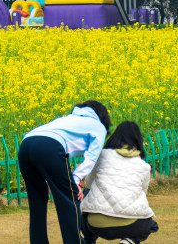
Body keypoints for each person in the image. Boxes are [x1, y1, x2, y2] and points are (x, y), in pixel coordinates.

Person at [18, 101, 112, 244]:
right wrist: (75, 179)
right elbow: (91, 158)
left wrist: (46, 179)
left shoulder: (68, 119)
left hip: (26, 144)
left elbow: (40, 145)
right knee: (69, 200)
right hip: (50, 146)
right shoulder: (99, 127)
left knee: (37, 201)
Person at [80, 121, 159, 244]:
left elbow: (88, 184)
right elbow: (143, 192)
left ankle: (89, 240)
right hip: (130, 224)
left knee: (87, 194)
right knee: (151, 225)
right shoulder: (144, 166)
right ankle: (129, 241)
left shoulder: (102, 155)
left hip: (96, 224)